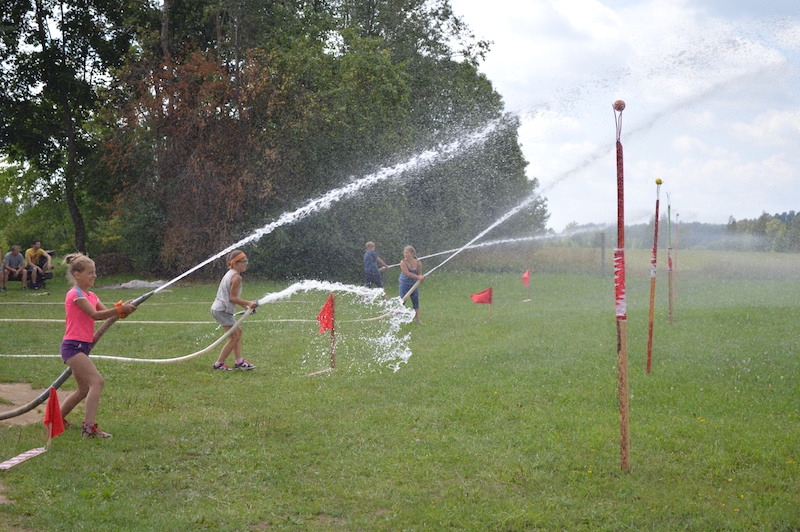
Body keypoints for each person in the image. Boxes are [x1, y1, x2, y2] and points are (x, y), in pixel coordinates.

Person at [58, 253, 138, 438]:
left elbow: (108, 314)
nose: (94, 276)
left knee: (84, 389)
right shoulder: (75, 294)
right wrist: (119, 310)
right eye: (90, 273)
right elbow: (95, 315)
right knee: (97, 382)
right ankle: (88, 428)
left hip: (83, 347)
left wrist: (123, 309)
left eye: (94, 272)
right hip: (73, 347)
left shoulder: (91, 295)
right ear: (77, 275)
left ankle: (58, 419)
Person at [210, 249, 258, 370]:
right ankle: (219, 363)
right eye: (243, 261)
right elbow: (232, 298)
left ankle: (239, 361)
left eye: (246, 260)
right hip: (221, 310)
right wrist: (248, 303)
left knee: (238, 333)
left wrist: (246, 306)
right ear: (235, 263)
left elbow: (231, 297)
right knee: (234, 337)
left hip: (221, 309)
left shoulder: (231, 273)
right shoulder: (236, 278)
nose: (246, 263)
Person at [398, 245, 424, 323]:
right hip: (404, 284)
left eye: (407, 253)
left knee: (415, 301)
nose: (405, 254)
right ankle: (398, 318)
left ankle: (417, 319)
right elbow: (407, 273)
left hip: (413, 284)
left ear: (412, 253)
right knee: (402, 301)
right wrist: (418, 277)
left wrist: (421, 278)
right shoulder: (403, 262)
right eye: (404, 253)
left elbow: (419, 274)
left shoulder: (418, 263)